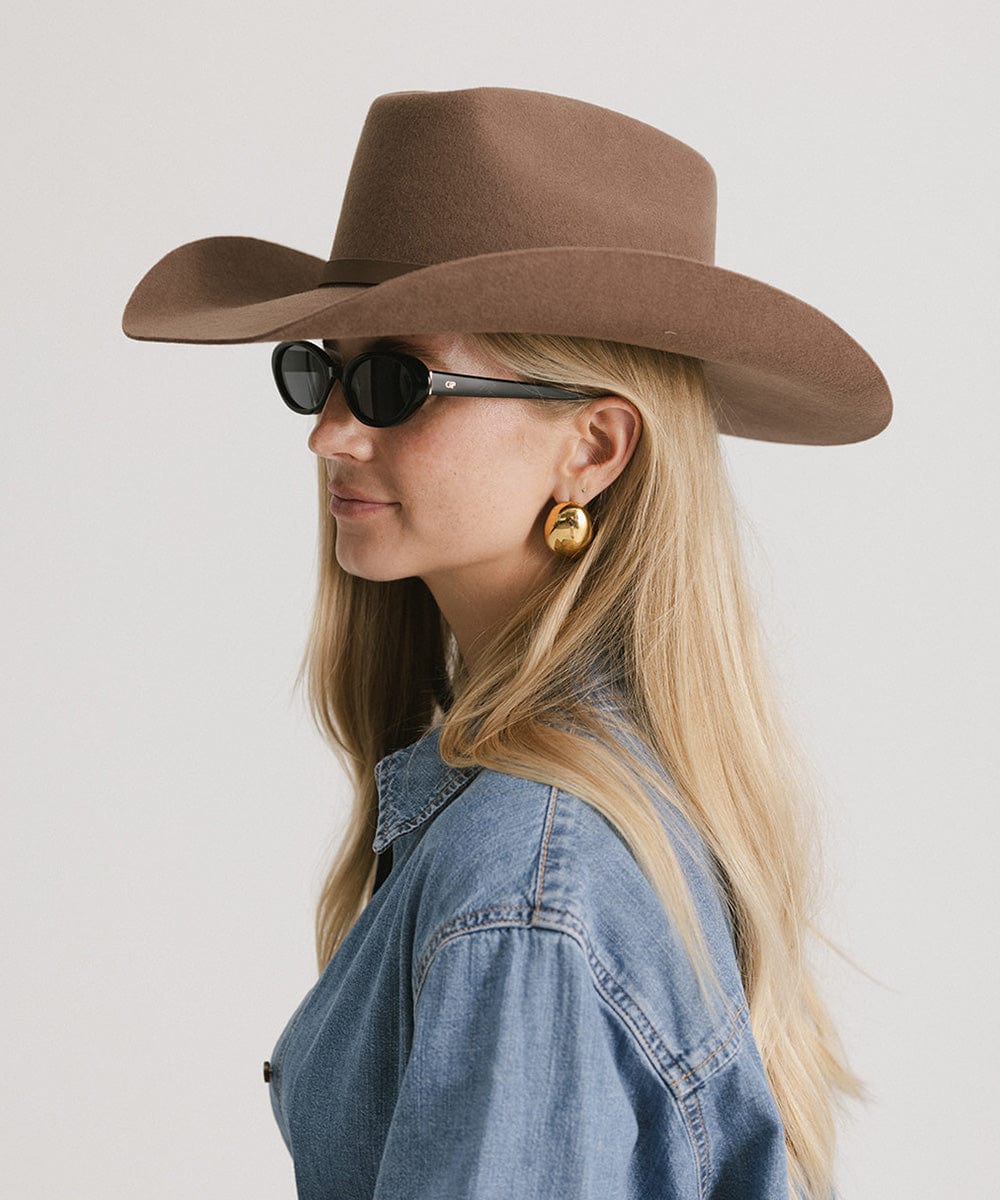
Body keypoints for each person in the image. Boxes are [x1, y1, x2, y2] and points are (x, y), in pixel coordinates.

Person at [121, 86, 892, 1200]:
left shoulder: (528, 883)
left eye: (394, 382)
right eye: (317, 370)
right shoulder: (589, 816)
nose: (329, 430)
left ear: (592, 445)